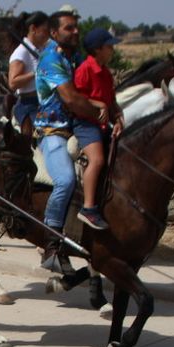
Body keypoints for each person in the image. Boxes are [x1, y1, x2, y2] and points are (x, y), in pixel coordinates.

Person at [33, 10, 108, 269]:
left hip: (76, 126)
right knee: (64, 181)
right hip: (52, 132)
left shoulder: (74, 57)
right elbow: (71, 98)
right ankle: (51, 243)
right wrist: (99, 113)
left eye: (76, 27)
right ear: (54, 33)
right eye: (69, 28)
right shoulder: (50, 58)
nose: (75, 32)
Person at [72, 27, 125, 230]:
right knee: (97, 159)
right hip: (85, 123)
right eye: (109, 46)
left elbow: (111, 102)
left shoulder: (106, 73)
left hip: (104, 123)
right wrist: (97, 104)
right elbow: (76, 98)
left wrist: (118, 118)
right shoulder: (85, 70)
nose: (112, 50)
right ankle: (88, 208)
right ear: (97, 49)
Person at [6, 10, 51, 136]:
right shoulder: (22, 52)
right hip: (28, 105)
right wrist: (35, 72)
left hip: (44, 102)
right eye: (45, 30)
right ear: (33, 29)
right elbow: (13, 83)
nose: (48, 34)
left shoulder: (41, 50)